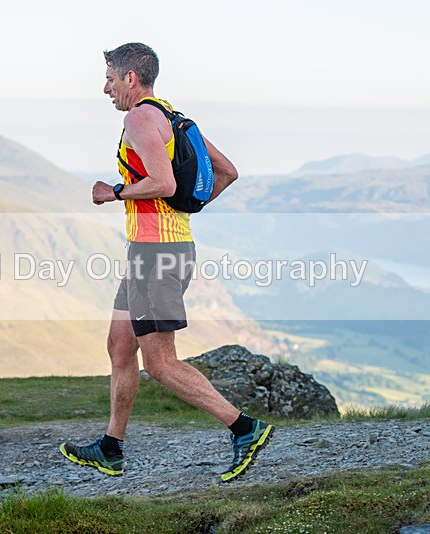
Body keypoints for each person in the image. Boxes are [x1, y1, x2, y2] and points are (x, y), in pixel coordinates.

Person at [59, 42, 274, 482]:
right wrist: (181, 211)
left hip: (157, 257)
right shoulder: (170, 115)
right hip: (153, 251)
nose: (106, 88)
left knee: (159, 362)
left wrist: (113, 192)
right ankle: (111, 447)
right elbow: (227, 170)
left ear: (131, 79)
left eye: (110, 79)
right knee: (121, 346)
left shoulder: (138, 117)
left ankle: (245, 428)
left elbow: (162, 180)